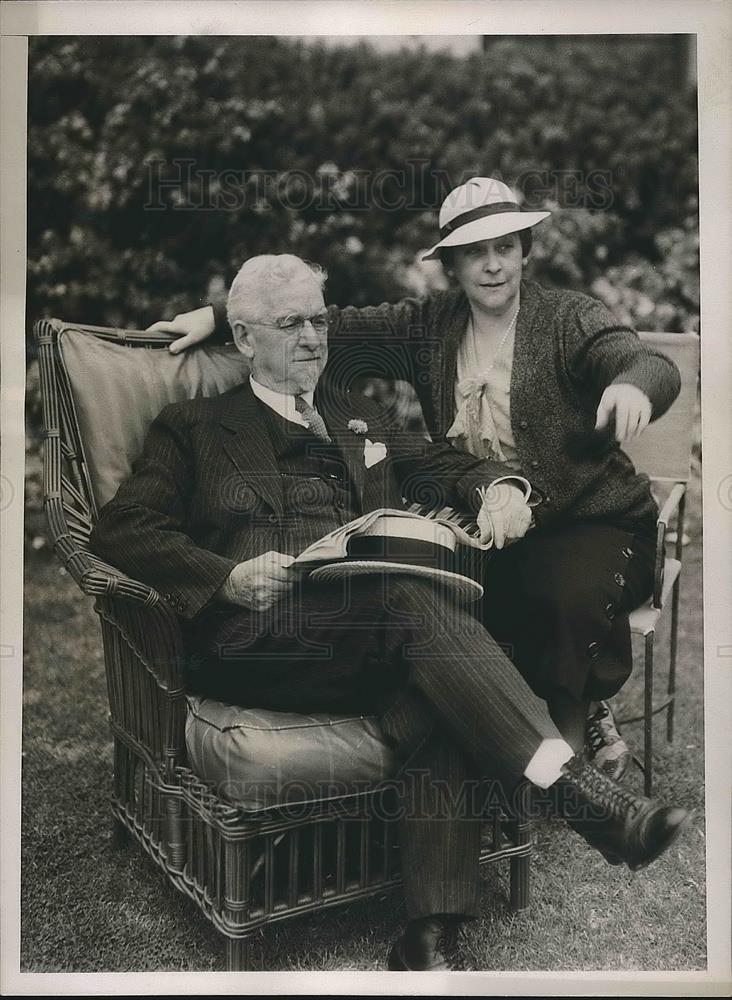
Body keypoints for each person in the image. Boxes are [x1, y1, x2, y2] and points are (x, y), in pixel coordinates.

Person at [93, 253, 689, 971]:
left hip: (368, 636)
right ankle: (573, 791)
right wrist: (225, 578)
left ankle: (426, 940)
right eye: (291, 324)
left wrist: (499, 488)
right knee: (411, 600)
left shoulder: (358, 415)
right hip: (258, 636)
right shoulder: (192, 427)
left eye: (319, 318)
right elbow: (122, 528)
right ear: (246, 339)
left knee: (434, 684)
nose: (314, 337)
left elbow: (446, 466)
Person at [150, 177, 682, 781]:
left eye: (505, 248)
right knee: (454, 598)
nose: (492, 266)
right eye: (474, 253)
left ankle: (568, 765)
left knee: (562, 594)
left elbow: (639, 358)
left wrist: (632, 382)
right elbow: (323, 324)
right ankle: (519, 741)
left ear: (525, 250)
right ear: (450, 264)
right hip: (494, 517)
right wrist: (219, 317)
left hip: (595, 518)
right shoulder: (429, 327)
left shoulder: (566, 318)